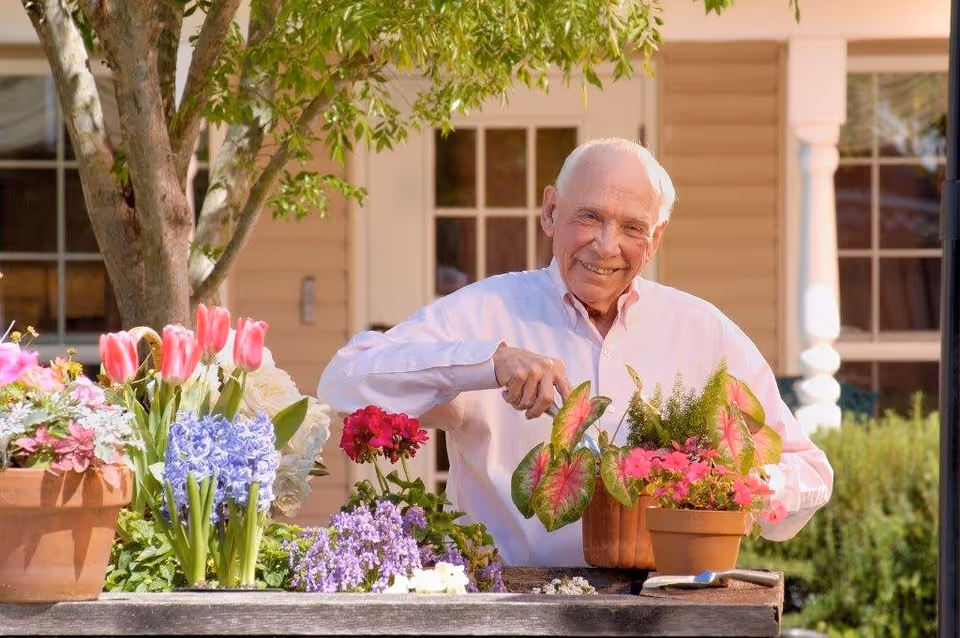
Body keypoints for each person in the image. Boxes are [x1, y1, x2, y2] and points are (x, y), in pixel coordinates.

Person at [318, 137, 834, 567]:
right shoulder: (485, 311)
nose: (607, 245)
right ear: (549, 212)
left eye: (632, 227)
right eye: (590, 217)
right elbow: (344, 379)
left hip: (660, 613)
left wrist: (733, 485)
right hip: (509, 609)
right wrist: (487, 362)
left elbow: (809, 471)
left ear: (655, 239)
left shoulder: (702, 331)